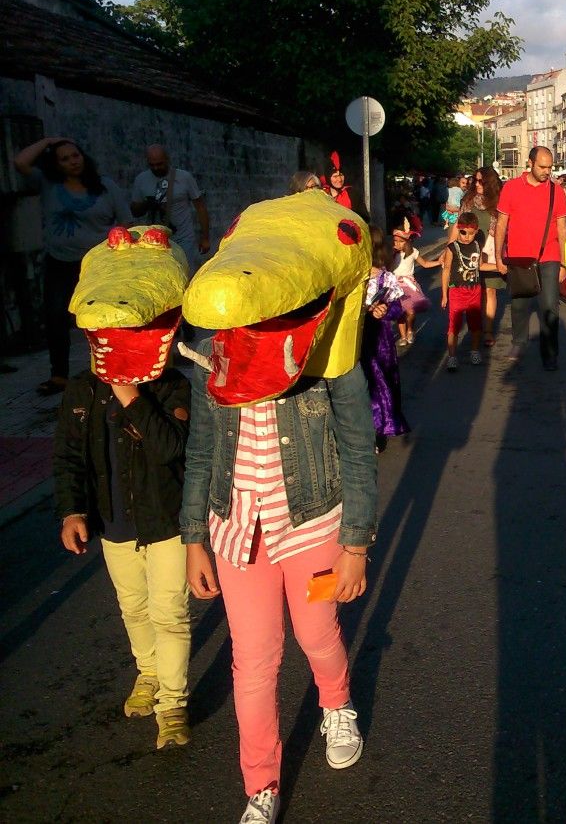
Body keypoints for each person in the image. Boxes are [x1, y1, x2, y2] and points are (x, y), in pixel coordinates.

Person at [180, 192, 376, 824]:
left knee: (317, 631)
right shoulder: (216, 352)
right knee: (254, 658)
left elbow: (356, 447)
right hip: (236, 531)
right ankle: (260, 782)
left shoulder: (327, 356)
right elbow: (203, 448)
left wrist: (355, 545)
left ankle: (336, 703)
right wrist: (193, 538)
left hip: (314, 526)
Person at [53, 225, 192, 751]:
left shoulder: (173, 383)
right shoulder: (82, 387)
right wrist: (71, 511)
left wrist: (132, 395)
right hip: (113, 523)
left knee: (169, 612)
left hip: (166, 521)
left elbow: (171, 449)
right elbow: (68, 455)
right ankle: (149, 673)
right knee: (133, 609)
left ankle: (173, 703)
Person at [13, 137, 132, 395]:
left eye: (75, 155)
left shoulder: (105, 187)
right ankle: (59, 375)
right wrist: (48, 141)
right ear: (56, 165)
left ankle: (111, 370)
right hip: (59, 263)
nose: (72, 161)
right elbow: (20, 162)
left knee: (102, 318)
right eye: (64, 158)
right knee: (56, 317)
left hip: (98, 265)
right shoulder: (47, 184)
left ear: (83, 157)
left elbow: (126, 223)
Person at [492, 146, 566, 370]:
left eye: (550, 167)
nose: (547, 171)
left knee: (549, 307)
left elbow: (563, 229)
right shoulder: (511, 188)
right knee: (519, 304)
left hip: (550, 256)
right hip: (518, 257)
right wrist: (499, 257)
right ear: (530, 163)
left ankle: (550, 353)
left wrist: (564, 263)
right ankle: (519, 342)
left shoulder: (557, 191)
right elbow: (502, 224)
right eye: (543, 167)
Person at [363, 227, 411, 449]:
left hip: (379, 342)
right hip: (354, 340)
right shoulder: (351, 277)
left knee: (379, 385)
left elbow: (398, 310)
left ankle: (377, 430)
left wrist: (384, 310)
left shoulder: (386, 278)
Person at [130, 144, 211, 270]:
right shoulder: (141, 180)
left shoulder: (184, 177)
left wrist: (205, 238)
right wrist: (147, 203)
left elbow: (200, 207)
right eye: (152, 165)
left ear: (167, 159)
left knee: (186, 272)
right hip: (154, 240)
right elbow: (134, 211)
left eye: (160, 164)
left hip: (183, 238)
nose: (156, 168)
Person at [439, 211, 492, 370]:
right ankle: (452, 356)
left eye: (470, 233)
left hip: (474, 289)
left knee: (475, 325)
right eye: (463, 232)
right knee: (454, 325)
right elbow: (446, 270)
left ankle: (474, 351)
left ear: (476, 232)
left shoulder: (477, 246)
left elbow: (480, 266)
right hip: (456, 290)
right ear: (458, 229)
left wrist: (499, 267)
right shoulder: (452, 248)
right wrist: (444, 294)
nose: (466, 236)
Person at [471, 166, 507, 346]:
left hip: (493, 251)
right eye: (475, 180)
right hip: (472, 251)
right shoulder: (469, 201)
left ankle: (487, 330)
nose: (477, 184)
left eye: (481, 181)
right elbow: (458, 224)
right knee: (474, 292)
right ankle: (475, 327)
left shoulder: (499, 202)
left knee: (490, 291)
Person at [391, 220, 437, 346]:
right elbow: (386, 267)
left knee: (411, 311)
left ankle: (410, 328)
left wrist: (440, 262)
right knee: (399, 311)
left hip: (408, 285)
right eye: (395, 241)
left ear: (408, 241)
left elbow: (425, 264)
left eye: (401, 241)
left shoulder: (413, 252)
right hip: (394, 285)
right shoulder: (391, 253)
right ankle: (403, 336)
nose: (397, 244)